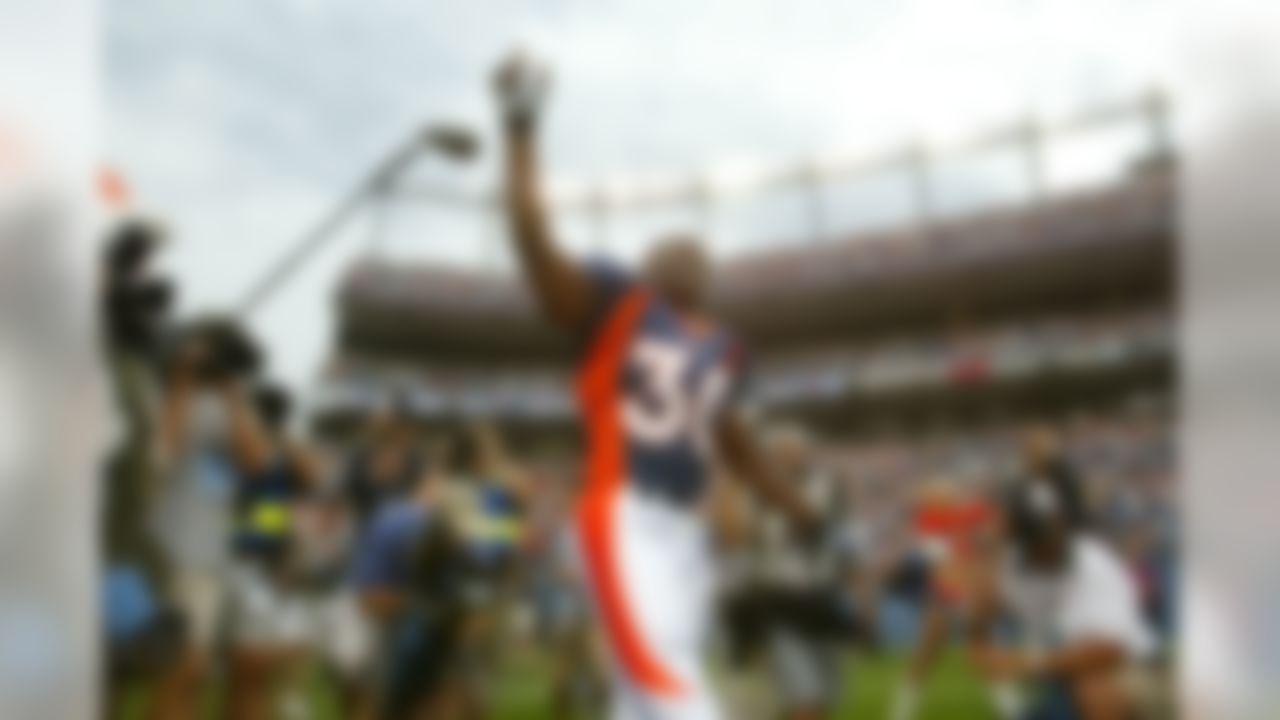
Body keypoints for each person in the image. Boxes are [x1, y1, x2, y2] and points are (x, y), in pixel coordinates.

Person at [493, 51, 819, 720]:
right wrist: (521, 126)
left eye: (698, 249)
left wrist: (795, 507)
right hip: (625, 516)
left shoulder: (724, 348)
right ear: (647, 267)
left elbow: (738, 445)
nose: (689, 247)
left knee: (641, 697)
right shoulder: (621, 303)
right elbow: (532, 237)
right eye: (670, 246)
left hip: (685, 532)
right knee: (671, 687)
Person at [967, 479, 1156, 720]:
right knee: (1079, 686)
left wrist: (1025, 664)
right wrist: (989, 559)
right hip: (1062, 678)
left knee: (1096, 686)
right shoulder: (1014, 565)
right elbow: (980, 629)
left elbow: (1109, 650)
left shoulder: (1092, 564)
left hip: (1126, 670)